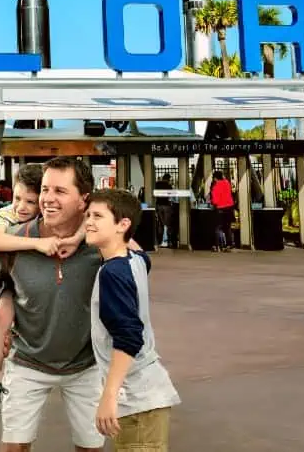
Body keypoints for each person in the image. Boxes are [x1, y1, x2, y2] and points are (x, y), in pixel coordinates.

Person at [0, 156, 107, 452]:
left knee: (91, 448)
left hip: (86, 364)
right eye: (44, 189)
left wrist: (81, 235)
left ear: (84, 200)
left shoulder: (101, 243)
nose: (47, 199)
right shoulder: (16, 241)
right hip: (27, 360)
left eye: (60, 191)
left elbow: (136, 250)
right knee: (13, 447)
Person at [0, 164, 83, 422]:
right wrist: (37, 243)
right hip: (4, 281)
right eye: (17, 198)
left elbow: (91, 212)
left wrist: (79, 237)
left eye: (30, 201)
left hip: (28, 279)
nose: (21, 207)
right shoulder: (5, 216)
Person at [84, 189, 181, 451]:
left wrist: (109, 395)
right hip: (147, 397)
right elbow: (139, 251)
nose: (88, 222)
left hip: (137, 402)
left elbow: (128, 336)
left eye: (98, 216)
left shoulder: (112, 273)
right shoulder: (135, 260)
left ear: (123, 224)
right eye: (87, 215)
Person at [209, 170, 235, 252]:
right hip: (230, 208)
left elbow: (215, 200)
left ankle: (219, 245)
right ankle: (229, 245)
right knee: (227, 227)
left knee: (218, 227)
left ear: (215, 178)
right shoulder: (227, 183)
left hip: (220, 208)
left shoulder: (216, 186)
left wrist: (212, 202)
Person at [154, 173, 177, 249]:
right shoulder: (168, 185)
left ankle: (159, 242)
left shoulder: (157, 184)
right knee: (168, 224)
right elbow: (171, 196)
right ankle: (169, 242)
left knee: (160, 224)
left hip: (159, 205)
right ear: (168, 179)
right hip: (166, 206)